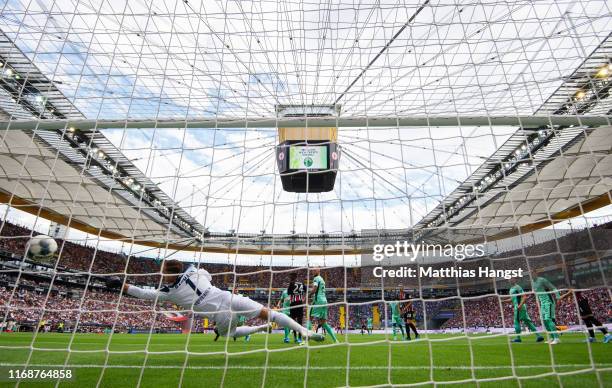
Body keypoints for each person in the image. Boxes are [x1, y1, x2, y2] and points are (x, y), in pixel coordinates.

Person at [106, 260, 323, 342]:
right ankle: (304, 332)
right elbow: (207, 274)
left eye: (163, 271)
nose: (162, 274)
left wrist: (122, 286)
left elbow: (145, 294)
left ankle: (264, 329)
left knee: (228, 333)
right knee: (271, 313)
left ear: (167, 273)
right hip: (229, 297)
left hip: (220, 313)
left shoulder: (167, 292)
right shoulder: (195, 271)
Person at [308, 268, 338, 343]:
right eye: (312, 270)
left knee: (309, 318)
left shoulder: (316, 278)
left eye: (314, 270)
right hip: (324, 301)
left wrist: (308, 296)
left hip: (318, 301)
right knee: (323, 323)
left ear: (318, 271)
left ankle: (306, 340)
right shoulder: (322, 279)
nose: (313, 271)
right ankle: (335, 340)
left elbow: (314, 289)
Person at [532, 276, 561, 344]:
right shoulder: (533, 283)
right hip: (542, 303)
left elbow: (553, 287)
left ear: (535, 273)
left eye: (532, 273)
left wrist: (558, 296)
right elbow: (536, 294)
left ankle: (557, 338)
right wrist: (537, 302)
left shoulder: (542, 280)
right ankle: (552, 337)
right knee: (544, 321)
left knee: (548, 319)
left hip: (548, 301)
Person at [286, 272, 306, 344]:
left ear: (292, 277)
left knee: (293, 321)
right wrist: (303, 298)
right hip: (300, 303)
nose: (290, 278)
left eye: (290, 276)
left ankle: (295, 338)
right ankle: (300, 338)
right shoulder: (301, 283)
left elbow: (288, 293)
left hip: (293, 304)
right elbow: (306, 290)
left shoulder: (291, 283)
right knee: (300, 321)